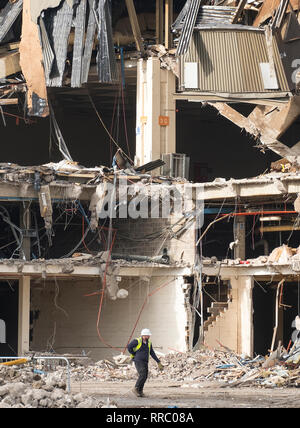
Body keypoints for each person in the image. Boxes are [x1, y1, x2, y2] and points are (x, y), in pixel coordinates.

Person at [127, 328, 164, 397]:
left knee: (145, 376)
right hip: (138, 360)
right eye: (148, 335)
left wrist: (158, 361)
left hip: (145, 361)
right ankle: (135, 388)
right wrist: (133, 353)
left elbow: (152, 352)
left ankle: (140, 391)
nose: (149, 336)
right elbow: (129, 347)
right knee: (142, 374)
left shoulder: (149, 342)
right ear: (144, 335)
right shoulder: (137, 341)